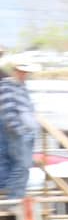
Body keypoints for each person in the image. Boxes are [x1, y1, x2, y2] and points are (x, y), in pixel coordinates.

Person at [0, 61, 40, 201]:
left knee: (21, 165)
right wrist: (18, 129)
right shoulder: (7, 86)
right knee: (21, 165)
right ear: (15, 71)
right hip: (18, 131)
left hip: (25, 130)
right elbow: (8, 109)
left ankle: (15, 196)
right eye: (21, 71)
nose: (24, 75)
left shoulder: (20, 86)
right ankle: (14, 198)